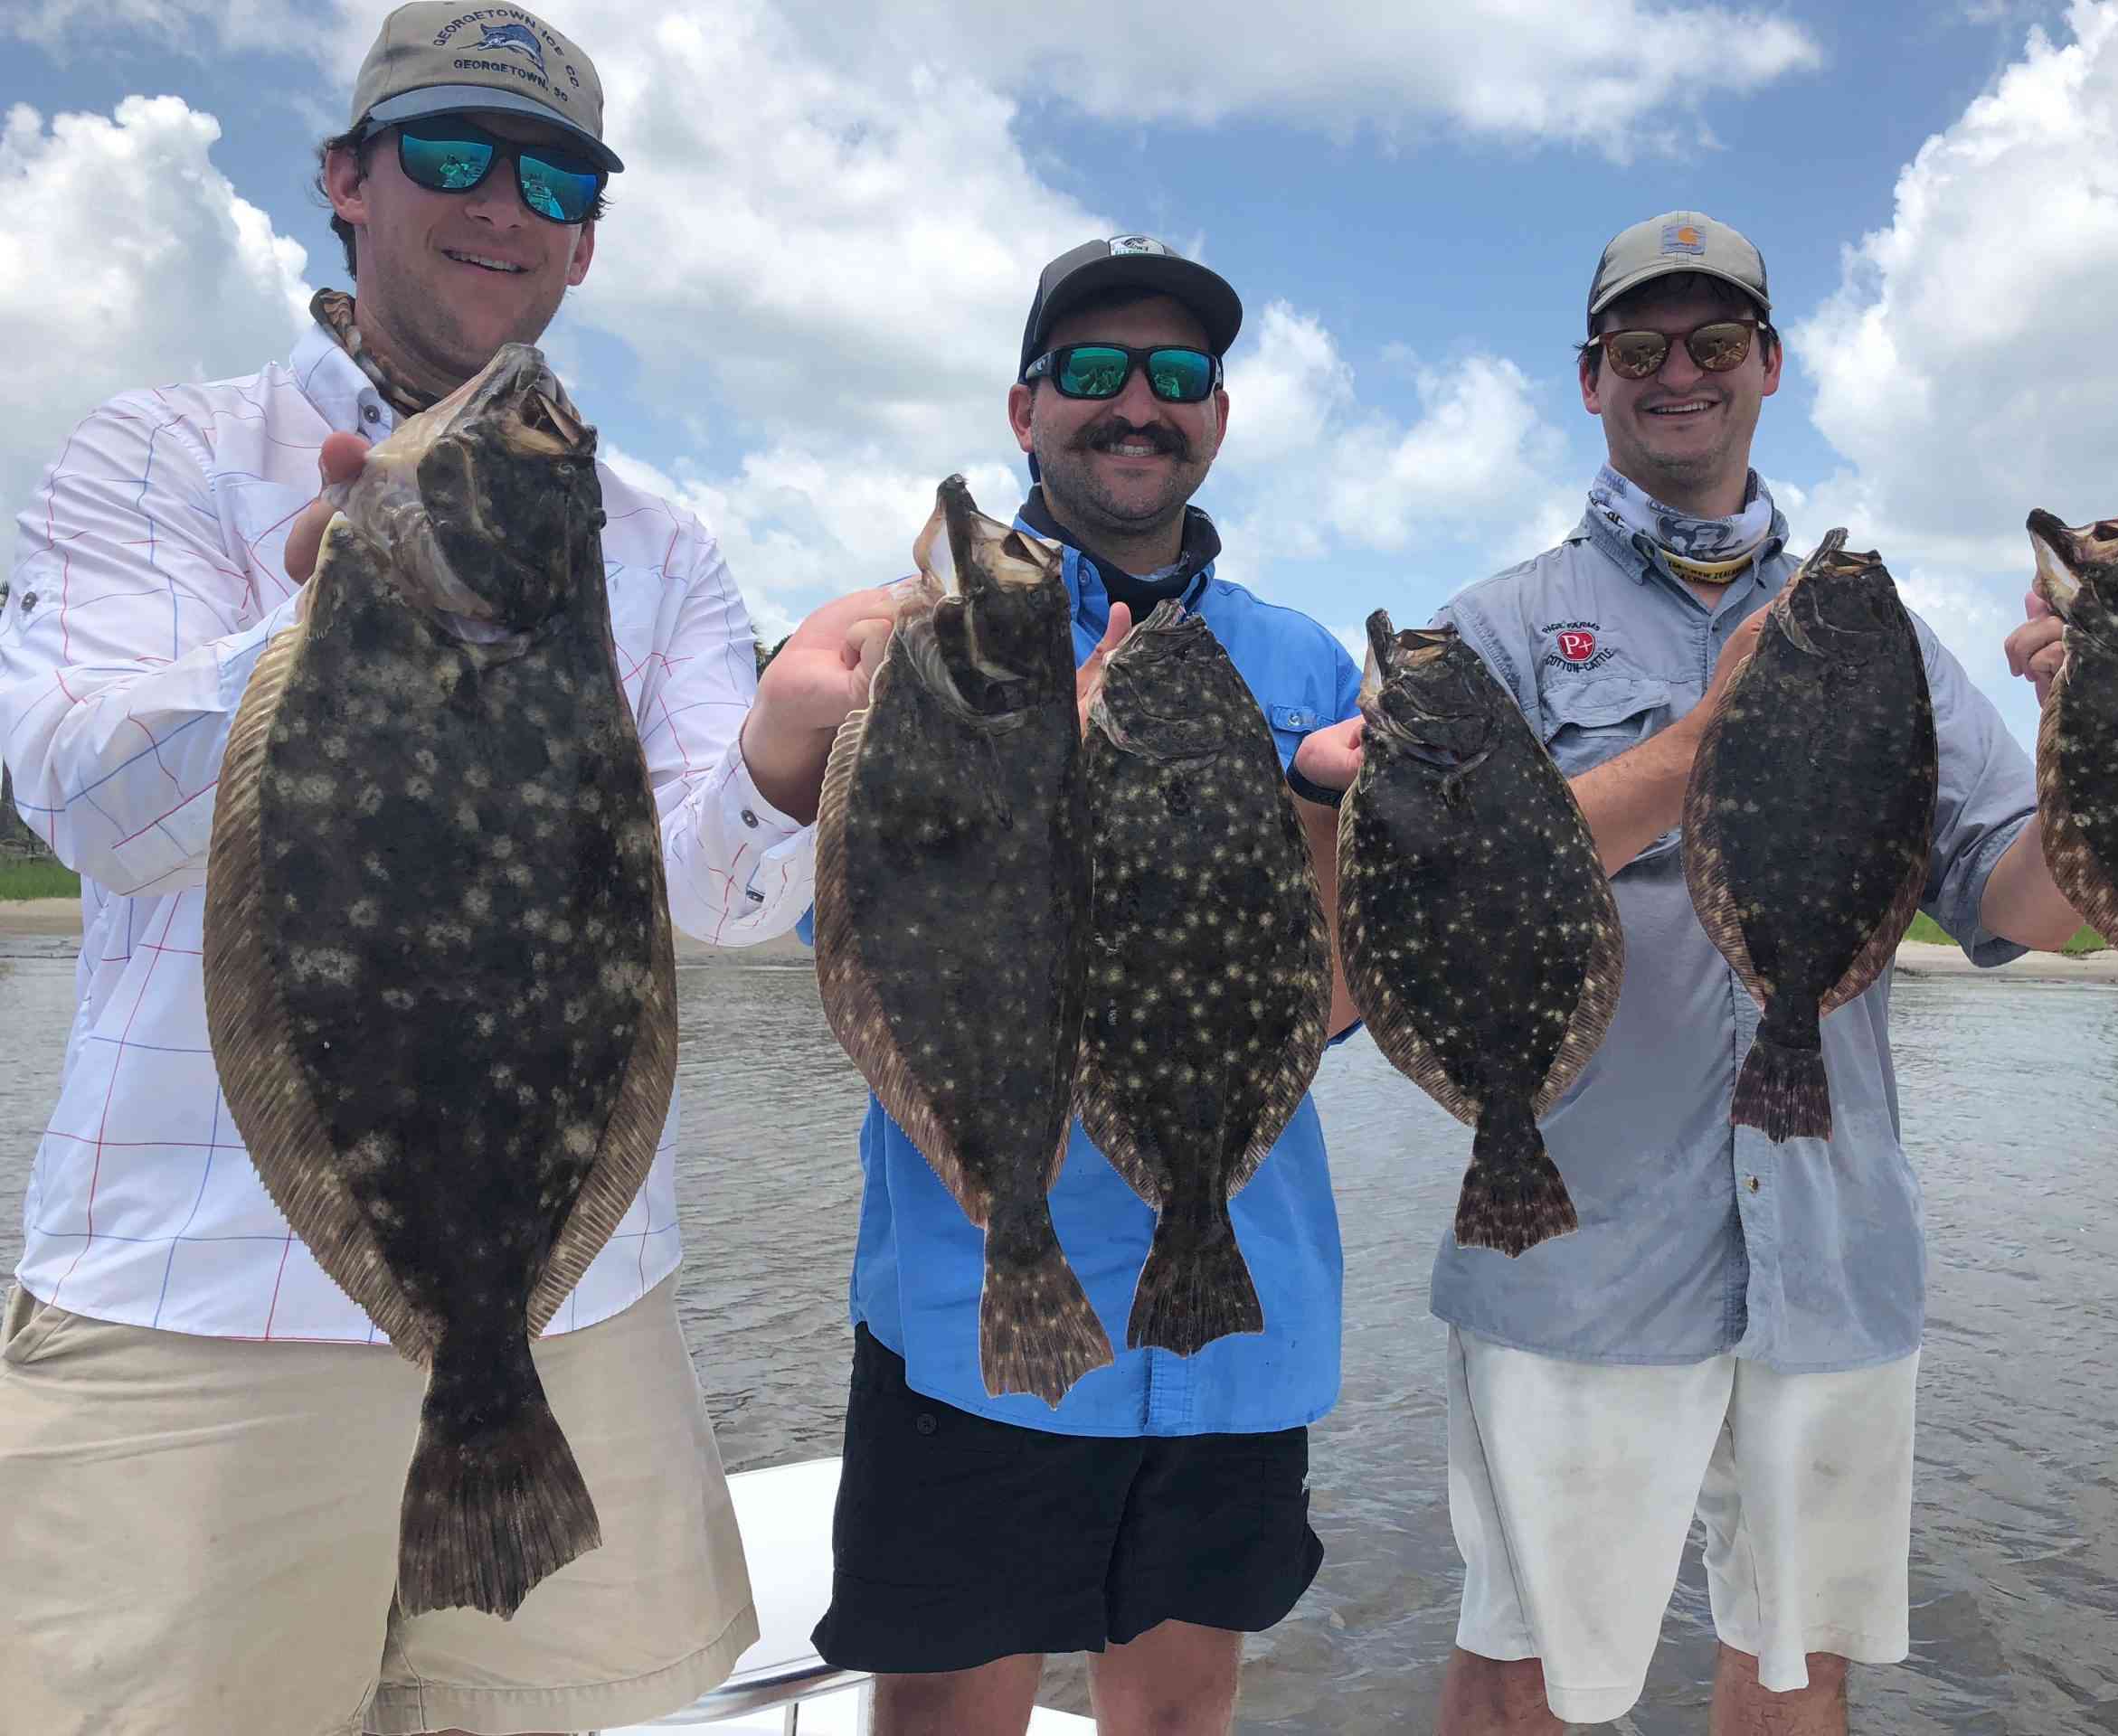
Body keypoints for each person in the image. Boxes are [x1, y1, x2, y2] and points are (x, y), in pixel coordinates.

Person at [0, 6, 892, 1731]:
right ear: (346, 180)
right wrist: (336, 616)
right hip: (197, 1320)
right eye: (453, 153)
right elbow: (100, 808)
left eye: (549, 173)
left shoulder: (660, 536)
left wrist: (788, 741)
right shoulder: (155, 452)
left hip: (572, 1324)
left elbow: (716, 902)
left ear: (584, 234)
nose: (501, 201)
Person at [1291, 211, 2085, 1734]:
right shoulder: (1492, 636)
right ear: (1590, 379)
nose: (1680, 373)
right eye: (1641, 347)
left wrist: (2086, 739)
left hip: (1833, 1249)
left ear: (1769, 367)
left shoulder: (1884, 636)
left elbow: (2018, 903)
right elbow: (1436, 898)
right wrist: (1700, 746)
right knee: (1519, 1663)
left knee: (1797, 1669)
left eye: (1714, 342)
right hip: (1569, 1251)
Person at [789, 235, 1365, 1736]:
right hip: (970, 1302)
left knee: (1178, 1714)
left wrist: (1309, 812)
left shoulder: (1307, 665)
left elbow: (1348, 999)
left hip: (1236, 1303)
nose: (1136, 404)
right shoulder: (916, 646)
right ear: (1025, 405)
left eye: (1178, 377)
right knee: (943, 1715)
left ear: (1217, 419)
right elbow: (869, 941)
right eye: (1094, 372)